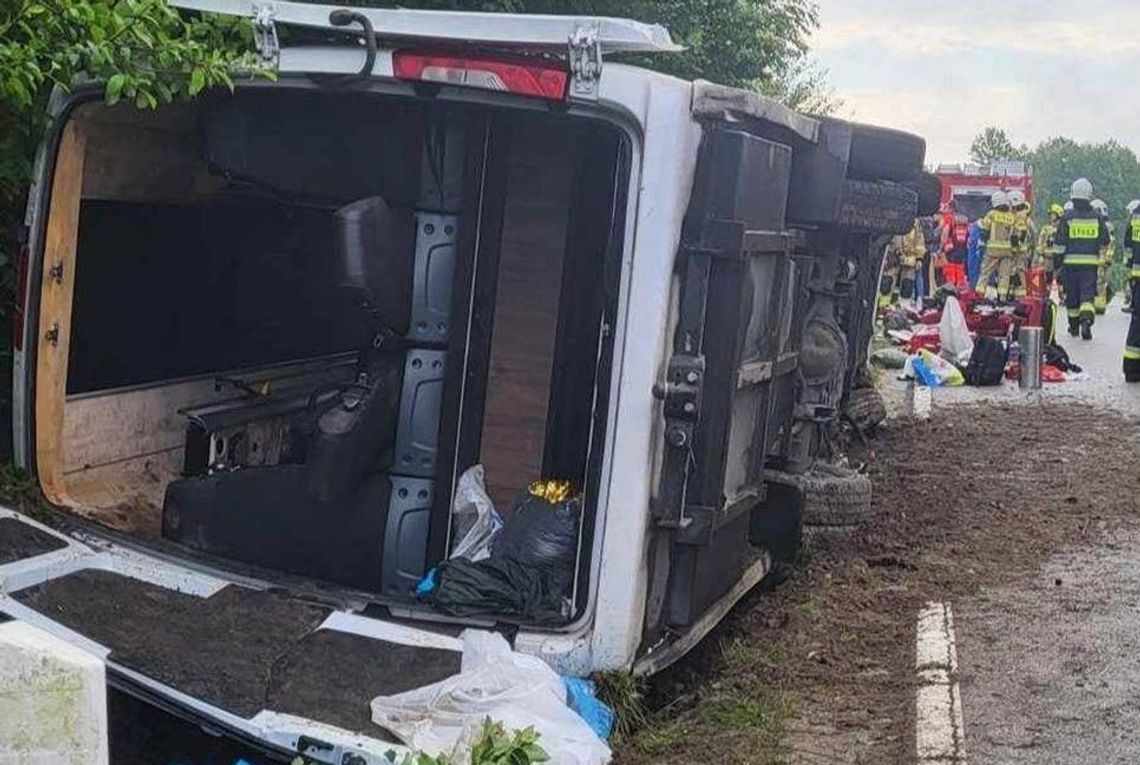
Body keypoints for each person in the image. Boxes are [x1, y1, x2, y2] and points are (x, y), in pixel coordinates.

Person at [1056, 178, 1110, 340]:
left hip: (1070, 265)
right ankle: (1086, 321)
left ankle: (1073, 327)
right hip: (1089, 265)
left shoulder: (1067, 217)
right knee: (1087, 296)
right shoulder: (1097, 217)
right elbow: (1105, 240)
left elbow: (1060, 243)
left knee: (1072, 296)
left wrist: (1057, 264)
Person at [975, 190, 1018, 299]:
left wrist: (981, 243)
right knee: (1004, 275)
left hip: (992, 251)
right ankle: (1002, 297)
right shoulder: (1012, 217)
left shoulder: (992, 214)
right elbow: (1015, 236)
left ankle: (979, 295)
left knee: (985, 273)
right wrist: (1014, 250)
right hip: (1007, 251)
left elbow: (984, 230)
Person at [1008, 189, 1035, 298]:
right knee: (1014, 274)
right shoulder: (1019, 217)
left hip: (1019, 253)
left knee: (1020, 273)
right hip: (1018, 253)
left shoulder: (1022, 218)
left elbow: (1024, 237)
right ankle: (1014, 295)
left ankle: (1021, 298)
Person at [1091, 199, 1115, 314]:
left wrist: (1107, 258)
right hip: (1098, 259)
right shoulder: (1096, 224)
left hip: (1102, 259)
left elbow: (1109, 243)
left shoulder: (1106, 226)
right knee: (1098, 282)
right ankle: (1097, 303)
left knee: (1101, 282)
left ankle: (1100, 306)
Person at [1125, 202, 1140, 379]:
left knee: (1137, 321)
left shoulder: (1137, 213)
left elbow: (1128, 243)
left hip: (1138, 275)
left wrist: (1130, 264)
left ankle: (1131, 368)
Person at [940, 200, 970, 288]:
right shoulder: (964, 219)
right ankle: (960, 287)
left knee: (950, 268)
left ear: (951, 208)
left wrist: (941, 247)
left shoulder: (950, 218)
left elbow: (945, 233)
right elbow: (968, 233)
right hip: (962, 248)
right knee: (960, 268)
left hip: (951, 248)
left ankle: (951, 287)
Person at [1037, 203, 1065, 292]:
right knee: (1047, 277)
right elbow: (1040, 243)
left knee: (1059, 279)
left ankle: (1059, 295)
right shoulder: (1046, 229)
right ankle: (1047, 293)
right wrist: (1040, 255)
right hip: (1047, 258)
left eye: (1052, 214)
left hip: (1058, 259)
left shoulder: (1063, 229)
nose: (1051, 216)